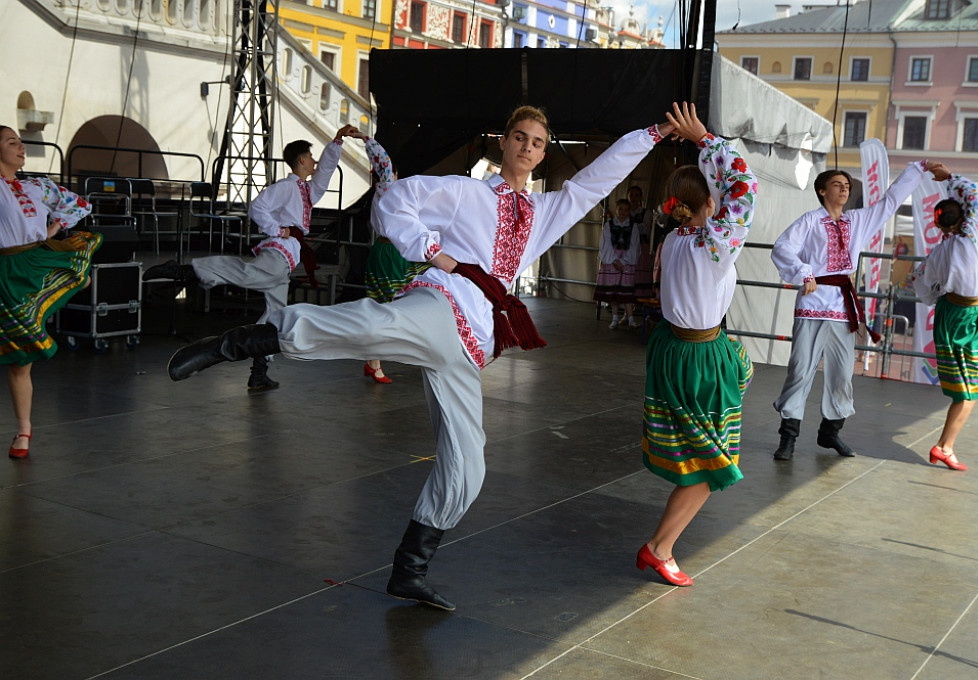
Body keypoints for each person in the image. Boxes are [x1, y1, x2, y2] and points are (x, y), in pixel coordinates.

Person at [165, 102, 687, 611]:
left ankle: (409, 570)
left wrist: (654, 135)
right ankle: (238, 343)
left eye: (539, 142)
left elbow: (597, 178)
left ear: (544, 152)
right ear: (503, 143)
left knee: (469, 467)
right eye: (521, 138)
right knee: (369, 325)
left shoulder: (547, 210)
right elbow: (395, 200)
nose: (529, 148)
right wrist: (431, 249)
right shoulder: (465, 192)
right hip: (443, 302)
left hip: (471, 342)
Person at [144, 125, 362, 391]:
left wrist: (337, 141)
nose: (315, 161)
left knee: (275, 317)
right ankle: (186, 271)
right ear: (302, 160)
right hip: (277, 254)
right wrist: (277, 229)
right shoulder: (285, 187)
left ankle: (259, 372)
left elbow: (325, 172)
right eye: (311, 156)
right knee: (248, 274)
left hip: (286, 263)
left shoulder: (307, 191)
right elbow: (257, 207)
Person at [636, 103, 756, 587]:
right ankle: (658, 548)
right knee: (711, 466)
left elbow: (733, 195)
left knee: (697, 460)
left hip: (671, 348)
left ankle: (660, 548)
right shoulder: (713, 245)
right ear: (710, 202)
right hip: (700, 359)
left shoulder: (674, 241)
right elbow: (745, 191)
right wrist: (708, 140)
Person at [769, 159, 940, 461]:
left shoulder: (857, 221)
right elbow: (783, 247)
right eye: (837, 184)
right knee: (799, 370)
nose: (844, 189)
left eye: (847, 185)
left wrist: (918, 168)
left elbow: (889, 202)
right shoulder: (809, 221)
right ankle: (788, 437)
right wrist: (804, 272)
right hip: (812, 304)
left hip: (842, 308)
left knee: (842, 373)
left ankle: (830, 432)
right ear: (822, 191)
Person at [0, 125, 99, 459]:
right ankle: (23, 429)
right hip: (6, 271)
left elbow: (77, 205)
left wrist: (54, 228)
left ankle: (23, 431)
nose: (21, 147)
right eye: (11, 142)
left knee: (22, 359)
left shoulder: (35, 186)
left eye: (20, 142)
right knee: (18, 356)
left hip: (36, 259)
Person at [911, 165, 978, 471]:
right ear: (965, 220)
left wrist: (939, 295)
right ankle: (945, 446)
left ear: (939, 225)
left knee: (965, 389)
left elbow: (922, 285)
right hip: (970, 314)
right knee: (971, 389)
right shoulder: (971, 236)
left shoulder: (937, 252)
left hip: (948, 313)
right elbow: (973, 196)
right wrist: (949, 176)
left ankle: (946, 446)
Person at [361, 136, 429, 384]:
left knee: (383, 307)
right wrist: (366, 139)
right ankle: (415, 350)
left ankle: (374, 361)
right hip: (391, 255)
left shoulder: (386, 195)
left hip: (386, 251)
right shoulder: (387, 189)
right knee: (395, 306)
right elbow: (385, 165)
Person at [594, 198, 640, 329]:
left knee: (626, 291)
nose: (623, 212)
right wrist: (615, 260)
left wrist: (624, 261)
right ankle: (614, 317)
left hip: (627, 261)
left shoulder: (633, 226)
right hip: (612, 260)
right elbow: (605, 244)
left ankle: (630, 318)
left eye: (626, 210)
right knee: (613, 292)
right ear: (616, 209)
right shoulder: (609, 225)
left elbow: (634, 246)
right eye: (620, 209)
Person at [628, 185, 656, 299]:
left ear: (641, 197)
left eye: (636, 195)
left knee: (639, 274)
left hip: (640, 246)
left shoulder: (646, 213)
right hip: (626, 247)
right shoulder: (624, 211)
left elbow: (645, 228)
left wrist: (631, 226)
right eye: (631, 195)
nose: (634, 198)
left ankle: (637, 301)